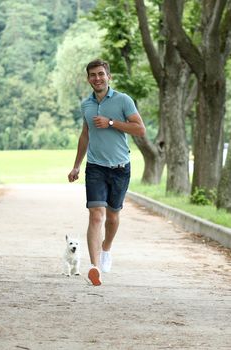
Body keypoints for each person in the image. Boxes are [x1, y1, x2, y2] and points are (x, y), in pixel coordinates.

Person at [68, 59, 146, 286]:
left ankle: (106, 249)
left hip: (120, 168)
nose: (97, 78)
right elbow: (85, 134)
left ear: (108, 76)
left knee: (112, 216)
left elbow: (140, 129)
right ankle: (94, 267)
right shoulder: (86, 105)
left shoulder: (123, 100)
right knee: (96, 215)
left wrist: (111, 122)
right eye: (92, 75)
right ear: (88, 78)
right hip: (95, 168)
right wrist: (76, 165)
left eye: (101, 74)